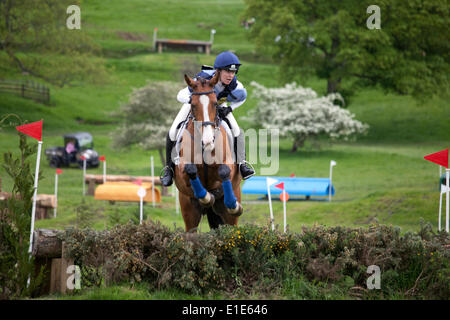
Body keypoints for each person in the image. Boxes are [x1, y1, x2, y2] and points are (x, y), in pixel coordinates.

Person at [161, 51, 255, 187]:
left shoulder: (236, 85)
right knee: (172, 131)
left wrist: (230, 109)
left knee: (236, 130)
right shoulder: (203, 79)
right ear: (218, 71)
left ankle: (242, 164)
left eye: (233, 72)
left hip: (218, 106)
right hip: (195, 105)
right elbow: (180, 95)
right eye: (227, 71)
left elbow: (243, 98)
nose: (230, 75)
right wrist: (194, 101)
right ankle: (169, 169)